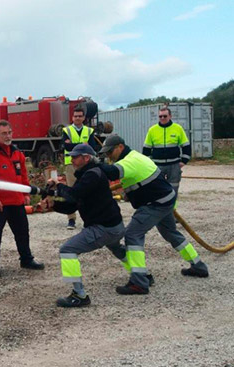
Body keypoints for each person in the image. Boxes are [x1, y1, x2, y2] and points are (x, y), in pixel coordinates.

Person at [100, 135, 209, 295]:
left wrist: (93, 163)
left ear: (120, 147)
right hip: (165, 200)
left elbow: (112, 173)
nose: (108, 156)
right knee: (171, 233)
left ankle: (139, 281)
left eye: (110, 152)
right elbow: (139, 182)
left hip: (155, 204)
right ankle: (198, 265)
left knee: (132, 234)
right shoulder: (136, 156)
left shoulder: (129, 161)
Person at [43, 144, 130, 307]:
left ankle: (79, 295)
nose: (72, 160)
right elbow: (72, 204)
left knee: (67, 250)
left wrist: (57, 185)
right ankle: (141, 274)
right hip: (113, 227)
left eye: (75, 157)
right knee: (117, 249)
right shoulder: (87, 175)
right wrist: (52, 204)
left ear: (86, 158)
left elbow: (73, 194)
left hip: (104, 228)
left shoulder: (93, 174)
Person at [0, 120, 44, 278]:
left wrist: (25, 194)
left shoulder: (17, 153)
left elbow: (23, 175)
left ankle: (26, 259)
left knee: (22, 232)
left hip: (16, 201)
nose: (8, 136)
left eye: (9, 132)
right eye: (4, 133)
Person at [61, 106, 96, 230]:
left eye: (80, 116)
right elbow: (66, 146)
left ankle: (90, 218)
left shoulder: (89, 131)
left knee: (89, 191)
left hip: (86, 164)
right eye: (75, 116)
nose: (77, 118)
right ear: (72, 117)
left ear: (84, 118)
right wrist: (82, 145)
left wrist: (74, 145)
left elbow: (92, 147)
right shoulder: (67, 130)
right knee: (71, 191)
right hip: (71, 164)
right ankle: (71, 219)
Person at [142, 107, 191, 195]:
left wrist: (184, 161)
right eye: (160, 116)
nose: (162, 118)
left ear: (170, 116)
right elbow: (146, 149)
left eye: (165, 116)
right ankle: (159, 208)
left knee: (173, 189)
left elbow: (186, 146)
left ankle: (172, 208)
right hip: (157, 165)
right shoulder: (152, 130)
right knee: (157, 188)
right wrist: (149, 164)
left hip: (174, 165)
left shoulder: (178, 128)